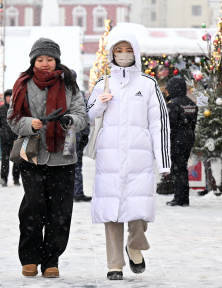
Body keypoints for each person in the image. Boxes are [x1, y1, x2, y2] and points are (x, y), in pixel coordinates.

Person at [87, 34, 170, 281]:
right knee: (111, 212)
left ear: (135, 52)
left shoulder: (147, 84)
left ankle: (134, 246)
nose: (123, 54)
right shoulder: (103, 83)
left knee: (138, 211)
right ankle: (114, 264)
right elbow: (89, 116)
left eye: (128, 49)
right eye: (118, 50)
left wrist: (163, 160)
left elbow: (159, 122)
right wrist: (100, 104)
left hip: (139, 158)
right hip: (109, 158)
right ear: (112, 53)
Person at [8, 38, 87, 279]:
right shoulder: (23, 84)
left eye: (49, 60)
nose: (44, 64)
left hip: (63, 155)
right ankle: (30, 258)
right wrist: (28, 124)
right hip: (33, 155)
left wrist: (70, 121)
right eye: (40, 59)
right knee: (33, 207)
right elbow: (13, 119)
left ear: (57, 61)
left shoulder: (69, 84)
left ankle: (51, 259)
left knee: (60, 210)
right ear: (33, 61)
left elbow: (81, 115)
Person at [165, 76, 197, 207]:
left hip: (177, 140)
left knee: (177, 169)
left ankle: (179, 198)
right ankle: (184, 197)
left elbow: (170, 125)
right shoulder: (191, 103)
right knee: (182, 168)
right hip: (188, 138)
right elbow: (193, 123)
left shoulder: (173, 104)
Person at [0, 89, 20, 187]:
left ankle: (16, 179)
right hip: (4, 138)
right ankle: (4, 178)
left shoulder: (17, 108)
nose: (8, 98)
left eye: (10, 96)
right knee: (5, 160)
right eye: (7, 96)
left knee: (16, 160)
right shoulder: (1, 109)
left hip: (16, 138)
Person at [73, 90, 92, 202]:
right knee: (76, 167)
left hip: (70, 136)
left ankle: (73, 193)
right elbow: (86, 117)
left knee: (71, 167)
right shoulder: (79, 96)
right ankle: (77, 192)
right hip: (76, 136)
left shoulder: (61, 93)